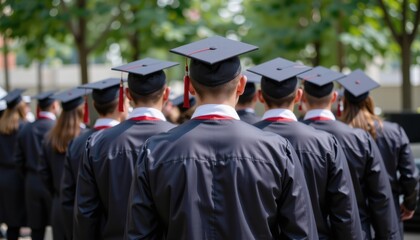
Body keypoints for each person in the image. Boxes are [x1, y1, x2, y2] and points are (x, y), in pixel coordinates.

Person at [126, 36, 318, 239]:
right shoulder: (277, 150)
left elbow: (140, 234)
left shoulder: (155, 151)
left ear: (190, 86)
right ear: (241, 85)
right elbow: (300, 234)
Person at [250, 61, 362, 239]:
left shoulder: (246, 142)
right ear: (298, 95)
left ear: (260, 96)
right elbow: (344, 210)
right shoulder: (325, 143)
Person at [74, 58, 178, 240]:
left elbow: (86, 212)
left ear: (128, 94)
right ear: (166, 93)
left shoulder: (98, 143)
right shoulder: (181, 140)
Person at [300, 67, 401, 240]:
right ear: (333, 98)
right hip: (357, 231)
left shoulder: (284, 140)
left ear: (301, 97)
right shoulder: (360, 139)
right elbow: (380, 196)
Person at [338, 69, 420, 239]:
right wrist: (409, 203)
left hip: (350, 219)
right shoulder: (393, 132)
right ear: (369, 100)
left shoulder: (336, 136)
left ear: (343, 101)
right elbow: (410, 176)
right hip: (388, 215)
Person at [60, 78, 129, 240]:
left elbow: (68, 196)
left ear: (94, 106)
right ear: (122, 104)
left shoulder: (76, 143)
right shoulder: (128, 140)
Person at [38, 87, 90, 240]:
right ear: (82, 110)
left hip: (59, 203)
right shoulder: (87, 139)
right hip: (83, 206)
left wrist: (56, 191)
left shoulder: (49, 138)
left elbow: (43, 173)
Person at [14, 90, 60, 240]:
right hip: (54, 184)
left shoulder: (25, 128)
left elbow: (18, 160)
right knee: (58, 229)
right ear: (54, 105)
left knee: (36, 229)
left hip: (31, 181)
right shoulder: (59, 129)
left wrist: (27, 176)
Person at [0, 89, 28, 240]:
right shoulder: (24, 128)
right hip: (16, 179)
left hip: (1, 175)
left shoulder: (0, 126)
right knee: (14, 223)